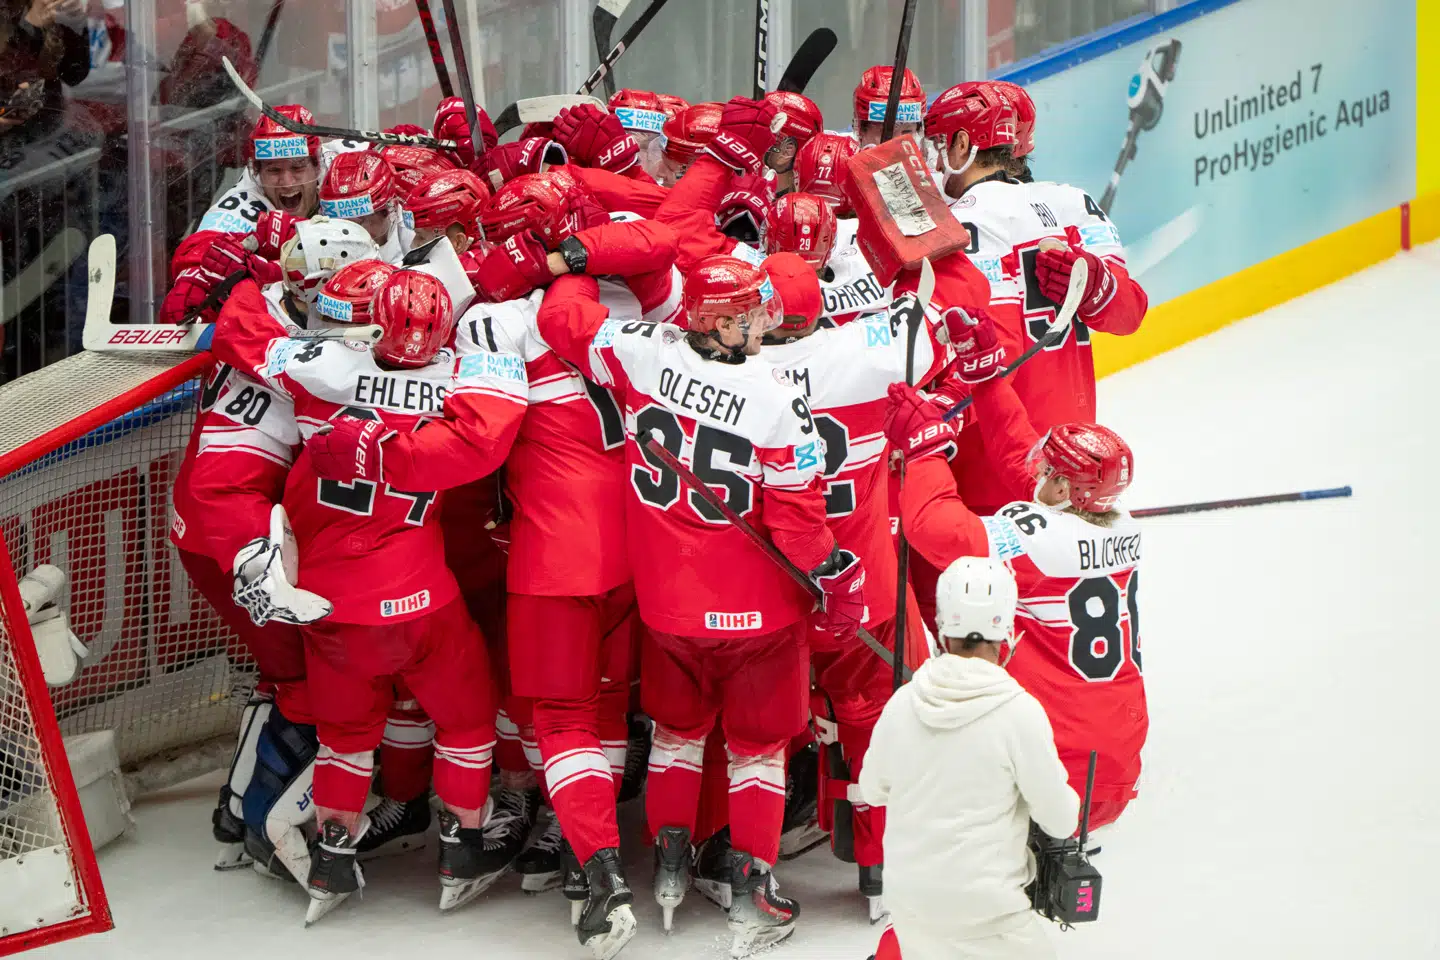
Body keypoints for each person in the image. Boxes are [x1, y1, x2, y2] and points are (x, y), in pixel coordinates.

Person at [537, 246, 866, 957]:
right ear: (719, 322)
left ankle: (671, 865)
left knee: (679, 736)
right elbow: (797, 522)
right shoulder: (776, 396)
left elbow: (562, 318)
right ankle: (753, 888)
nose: (764, 322)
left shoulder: (642, 352)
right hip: (757, 614)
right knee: (756, 750)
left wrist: (574, 255)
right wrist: (835, 572)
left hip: (666, 607)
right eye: (751, 312)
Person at [216, 268, 528, 923]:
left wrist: (263, 273)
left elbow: (241, 333)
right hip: (420, 598)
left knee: (346, 738)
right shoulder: (458, 383)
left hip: (329, 605)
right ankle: (461, 846)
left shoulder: (324, 364)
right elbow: (487, 435)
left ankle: (332, 860)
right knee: (469, 722)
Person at [882, 332, 1147, 829]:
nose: (1038, 466)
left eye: (1051, 468)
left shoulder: (1035, 540)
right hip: (1115, 760)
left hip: (1053, 767)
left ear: (1067, 486)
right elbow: (1024, 465)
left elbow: (936, 531)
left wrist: (924, 453)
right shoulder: (1117, 520)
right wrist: (988, 381)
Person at [860, 555, 1080, 960]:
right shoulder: (1018, 711)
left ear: (942, 629)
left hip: (911, 906)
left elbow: (872, 790)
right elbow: (1062, 820)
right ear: (1009, 631)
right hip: (989, 913)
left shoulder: (903, 703)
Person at [852, 66, 926, 147]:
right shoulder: (840, 155)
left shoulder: (931, 156)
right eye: (886, 132)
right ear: (861, 130)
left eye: (907, 131)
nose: (898, 145)